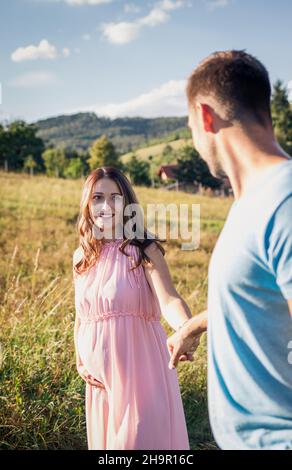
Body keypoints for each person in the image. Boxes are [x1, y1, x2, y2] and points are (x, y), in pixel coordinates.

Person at [167, 50, 292, 450]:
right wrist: (194, 325)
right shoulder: (251, 203)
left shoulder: (284, 200)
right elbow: (262, 297)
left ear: (205, 117)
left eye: (190, 126)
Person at [72, 166, 194, 450]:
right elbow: (82, 316)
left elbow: (169, 299)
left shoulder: (143, 249)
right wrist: (80, 360)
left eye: (114, 197)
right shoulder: (82, 256)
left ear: (127, 203)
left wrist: (187, 328)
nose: (105, 206)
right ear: (87, 204)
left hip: (141, 377)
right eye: (97, 197)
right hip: (99, 383)